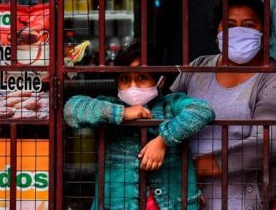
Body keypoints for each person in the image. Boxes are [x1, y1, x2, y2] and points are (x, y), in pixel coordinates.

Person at [170, 0, 276, 210]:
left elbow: (264, 147)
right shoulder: (197, 69)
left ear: (264, 32)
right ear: (217, 34)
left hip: (242, 203)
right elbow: (164, 113)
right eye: (230, 25)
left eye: (248, 25)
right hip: (181, 200)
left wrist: (189, 168)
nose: (238, 32)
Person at [64, 42, 215, 210]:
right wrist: (122, 113)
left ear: (160, 81)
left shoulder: (170, 105)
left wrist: (163, 141)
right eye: (125, 79)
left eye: (142, 78)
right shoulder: (108, 105)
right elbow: (72, 109)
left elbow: (202, 110)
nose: (132, 86)